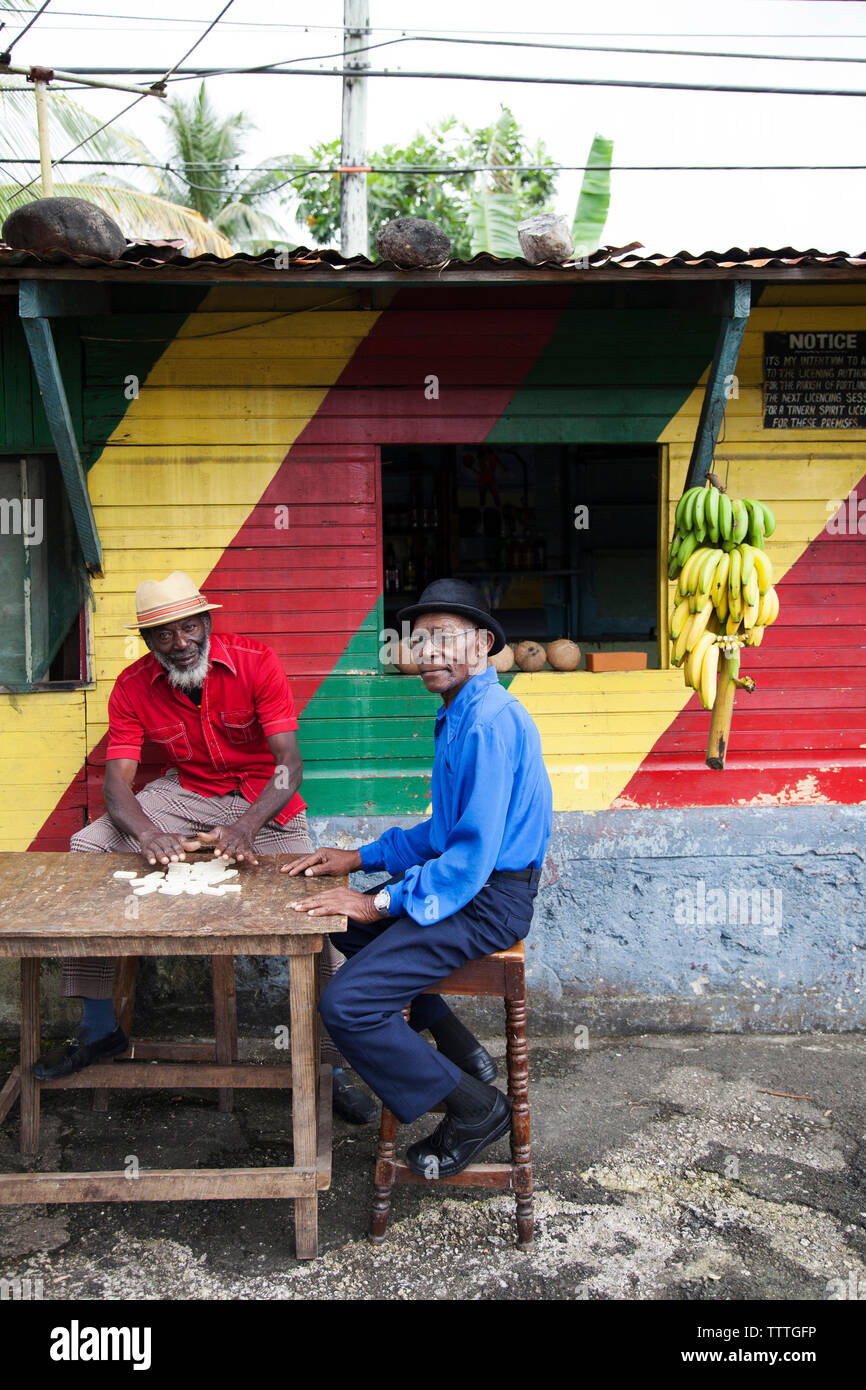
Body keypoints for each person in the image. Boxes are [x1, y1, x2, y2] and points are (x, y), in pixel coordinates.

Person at [33, 570, 376, 1125]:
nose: (181, 642)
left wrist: (245, 827)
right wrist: (146, 833)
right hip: (186, 794)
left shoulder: (257, 662)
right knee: (88, 846)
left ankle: (328, 1066)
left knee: (320, 912)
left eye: (190, 627)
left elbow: (289, 766)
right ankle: (100, 1029)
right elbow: (118, 783)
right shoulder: (132, 685)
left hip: (268, 802)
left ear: (208, 622)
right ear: (148, 642)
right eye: (164, 635)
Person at [286, 578, 552, 1177]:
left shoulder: (487, 722)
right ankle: (465, 1054)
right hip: (473, 886)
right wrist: (357, 859)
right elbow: (439, 834)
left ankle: (476, 1106)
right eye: (418, 639)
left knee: (348, 1005)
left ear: (482, 643)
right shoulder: (459, 712)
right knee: (344, 932)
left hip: (489, 899)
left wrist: (379, 902)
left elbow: (465, 862)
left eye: (444, 639)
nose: (427, 653)